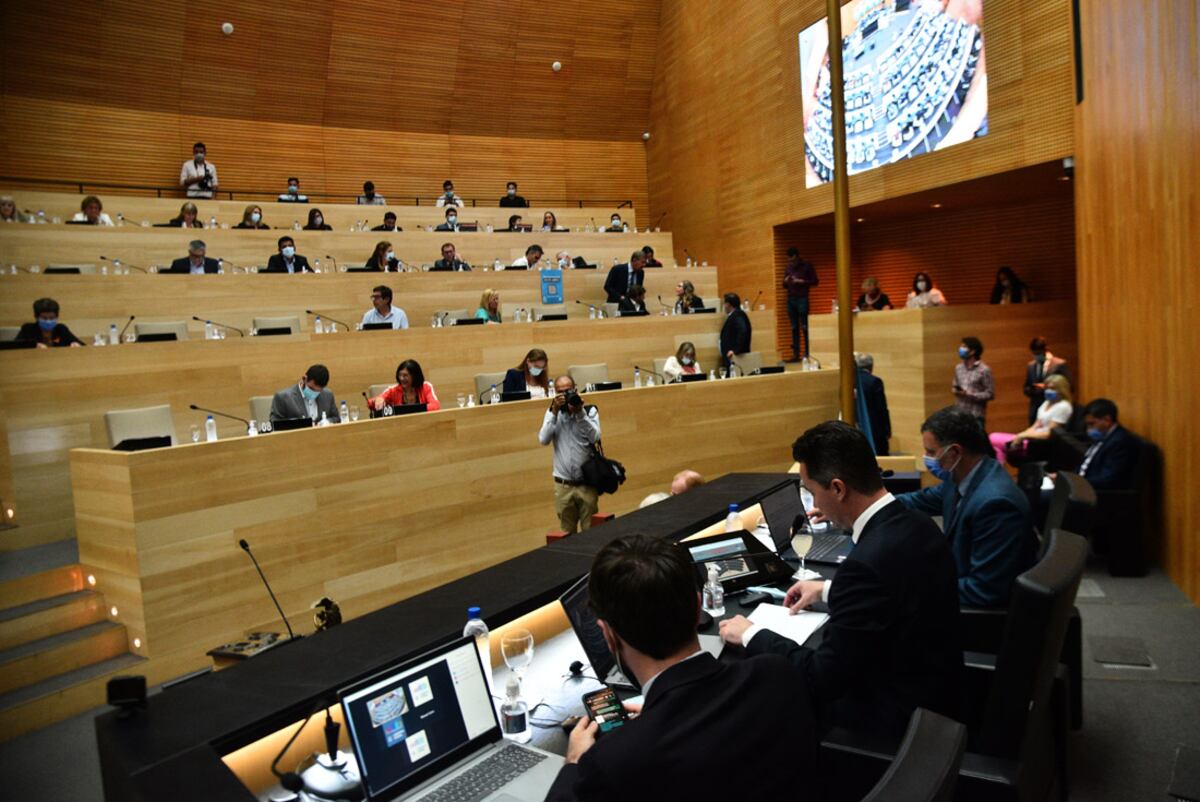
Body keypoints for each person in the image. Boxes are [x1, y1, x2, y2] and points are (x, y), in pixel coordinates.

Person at [718, 421, 964, 736]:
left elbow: (821, 678)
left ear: (837, 488)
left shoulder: (864, 566)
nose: (816, 505)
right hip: (939, 697)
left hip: (894, 722)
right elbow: (897, 594)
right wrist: (828, 590)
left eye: (812, 493)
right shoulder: (920, 524)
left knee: (762, 704)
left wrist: (752, 634)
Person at [547, 535, 818, 801]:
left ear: (608, 635)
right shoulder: (778, 674)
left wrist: (575, 762)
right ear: (699, 606)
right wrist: (656, 715)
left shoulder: (611, 763)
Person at [898, 407, 1038, 608]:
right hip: (957, 573)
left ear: (954, 452)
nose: (926, 458)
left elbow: (983, 591)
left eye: (931, 452)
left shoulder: (997, 504)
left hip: (982, 617)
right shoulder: (962, 477)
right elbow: (919, 500)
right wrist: (871, 503)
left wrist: (912, 588)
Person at [538, 375, 602, 533]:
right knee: (566, 535)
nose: (565, 395)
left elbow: (595, 437)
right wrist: (554, 412)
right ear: (555, 394)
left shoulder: (589, 411)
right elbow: (543, 439)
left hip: (587, 484)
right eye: (560, 392)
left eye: (568, 391)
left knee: (591, 532)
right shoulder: (552, 413)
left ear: (575, 390)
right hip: (563, 485)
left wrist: (580, 414)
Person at [990, 374, 1073, 463]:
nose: (1048, 391)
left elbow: (1050, 434)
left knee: (993, 438)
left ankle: (998, 468)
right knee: (994, 441)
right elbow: (1035, 425)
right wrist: (1021, 435)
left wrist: (1023, 436)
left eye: (1053, 388)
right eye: (1047, 388)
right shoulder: (1046, 403)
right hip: (1031, 438)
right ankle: (999, 468)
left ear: (1061, 390)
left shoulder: (1063, 406)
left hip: (1041, 443)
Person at [1075, 399, 1139, 490]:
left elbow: (1107, 480)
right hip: (1083, 485)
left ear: (1107, 420)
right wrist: (1069, 478)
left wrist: (1076, 483)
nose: (1088, 429)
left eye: (1092, 424)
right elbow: (1085, 465)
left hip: (1097, 492)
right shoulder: (1103, 436)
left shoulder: (1120, 442)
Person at [1023, 337, 1071, 424]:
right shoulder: (1031, 366)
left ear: (1045, 349)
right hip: (1036, 407)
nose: (1036, 356)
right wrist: (1033, 389)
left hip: (1055, 406)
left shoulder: (1059, 364)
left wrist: (1046, 388)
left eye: (1038, 353)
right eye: (1034, 353)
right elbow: (1026, 388)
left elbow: (1068, 386)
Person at [782, 248, 819, 361]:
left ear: (797, 256)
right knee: (794, 327)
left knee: (805, 326)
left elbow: (815, 281)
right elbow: (784, 285)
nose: (790, 261)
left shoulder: (807, 266)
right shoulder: (788, 267)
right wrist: (786, 281)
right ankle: (796, 354)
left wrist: (802, 281)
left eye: (792, 258)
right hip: (791, 299)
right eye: (789, 259)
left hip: (802, 298)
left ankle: (807, 353)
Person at [269, 365, 340, 423]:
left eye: (318, 391)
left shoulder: (328, 395)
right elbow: (274, 423)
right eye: (311, 388)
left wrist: (327, 421)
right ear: (305, 379)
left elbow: (336, 418)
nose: (313, 393)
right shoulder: (283, 397)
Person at [855, 352, 891, 456]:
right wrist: (887, 430)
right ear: (871, 366)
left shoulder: (850, 381)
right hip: (874, 429)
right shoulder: (874, 382)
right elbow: (881, 408)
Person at [953, 336, 994, 425]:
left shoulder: (984, 370)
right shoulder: (958, 368)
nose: (960, 349)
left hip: (975, 416)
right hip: (959, 414)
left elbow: (990, 394)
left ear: (972, 351)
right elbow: (955, 385)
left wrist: (970, 394)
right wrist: (956, 391)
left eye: (964, 347)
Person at [370, 360, 440, 411]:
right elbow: (370, 403)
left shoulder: (426, 386)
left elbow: (435, 405)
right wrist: (378, 400)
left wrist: (412, 410)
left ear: (415, 376)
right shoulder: (393, 390)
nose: (401, 378)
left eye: (405, 375)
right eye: (400, 375)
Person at [16, 298, 84, 348]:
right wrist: (33, 346)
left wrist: (76, 345)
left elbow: (83, 346)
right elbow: (14, 347)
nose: (48, 321)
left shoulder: (61, 329)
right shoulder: (28, 329)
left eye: (52, 318)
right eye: (44, 318)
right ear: (36, 317)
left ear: (57, 317)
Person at [719, 292, 752, 369]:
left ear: (728, 304)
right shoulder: (735, 315)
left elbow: (743, 332)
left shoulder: (738, 315)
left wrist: (735, 350)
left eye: (725, 304)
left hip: (736, 358)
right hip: (732, 357)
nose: (724, 306)